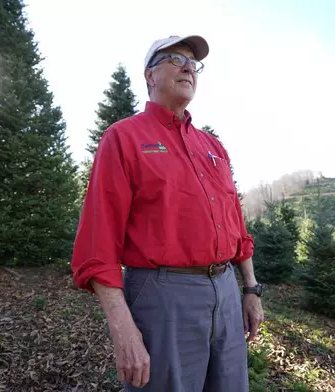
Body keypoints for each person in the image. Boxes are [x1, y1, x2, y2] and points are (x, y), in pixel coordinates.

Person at [71, 34, 264, 392]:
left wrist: (250, 289)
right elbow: (98, 244)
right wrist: (122, 328)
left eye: (194, 63)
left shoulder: (213, 148)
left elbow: (237, 224)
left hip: (225, 291)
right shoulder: (123, 138)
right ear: (149, 75)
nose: (188, 67)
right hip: (163, 294)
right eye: (176, 58)